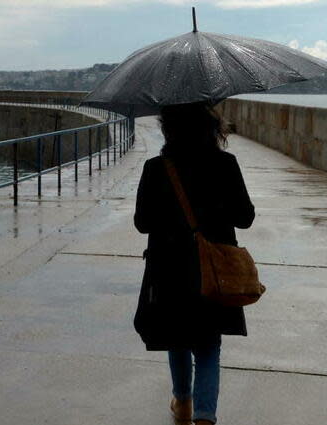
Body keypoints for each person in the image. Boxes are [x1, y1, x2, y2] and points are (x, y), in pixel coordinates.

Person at [133, 102, 256, 425]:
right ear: (212, 128)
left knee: (177, 335)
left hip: (169, 269)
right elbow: (245, 218)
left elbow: (142, 223)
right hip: (212, 271)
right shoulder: (225, 164)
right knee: (207, 344)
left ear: (167, 129)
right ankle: (204, 417)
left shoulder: (156, 168)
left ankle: (183, 403)